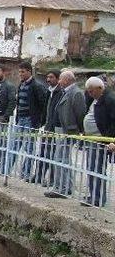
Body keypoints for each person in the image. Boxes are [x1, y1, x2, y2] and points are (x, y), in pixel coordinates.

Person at [1, 61, 47, 179]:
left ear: (29, 71)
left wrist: (38, 121)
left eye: (22, 72)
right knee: (14, 145)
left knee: (29, 148)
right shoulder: (21, 85)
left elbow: (43, 105)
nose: (20, 74)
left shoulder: (37, 86)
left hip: (30, 120)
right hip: (20, 119)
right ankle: (5, 169)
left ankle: (25, 173)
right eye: (19, 72)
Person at [45, 70, 86, 198]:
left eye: (61, 79)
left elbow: (80, 113)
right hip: (60, 129)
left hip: (67, 130)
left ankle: (63, 188)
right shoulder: (66, 91)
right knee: (60, 159)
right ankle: (62, 186)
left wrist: (80, 130)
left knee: (62, 159)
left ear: (67, 80)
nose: (59, 81)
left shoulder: (76, 93)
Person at [81, 76, 115, 206]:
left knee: (97, 169)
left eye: (91, 91)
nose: (90, 94)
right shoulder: (95, 98)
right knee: (92, 168)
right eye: (88, 91)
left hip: (101, 140)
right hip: (92, 139)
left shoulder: (109, 100)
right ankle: (93, 195)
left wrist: (112, 140)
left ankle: (98, 198)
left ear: (100, 88)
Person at [33, 69, 64, 186]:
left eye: (51, 77)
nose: (48, 80)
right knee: (42, 152)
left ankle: (51, 180)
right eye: (47, 77)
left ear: (57, 79)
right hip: (47, 127)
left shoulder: (60, 93)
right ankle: (39, 176)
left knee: (52, 155)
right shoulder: (49, 92)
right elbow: (45, 109)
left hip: (55, 129)